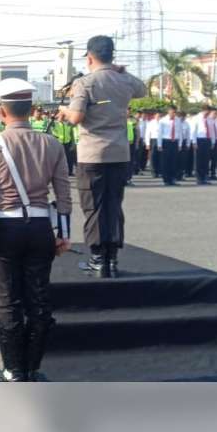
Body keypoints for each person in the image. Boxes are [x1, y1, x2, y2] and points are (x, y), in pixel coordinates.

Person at [0, 79, 72, 382]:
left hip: (3, 227)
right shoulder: (52, 143)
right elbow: (63, 192)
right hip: (41, 227)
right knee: (39, 299)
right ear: (31, 109)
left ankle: (13, 370)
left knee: (7, 300)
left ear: (2, 111)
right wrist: (64, 232)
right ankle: (33, 368)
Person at [58, 35, 146, 277]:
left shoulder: (85, 82)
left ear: (89, 57)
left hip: (93, 154)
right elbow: (142, 89)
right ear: (111, 56)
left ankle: (98, 260)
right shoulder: (124, 80)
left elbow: (76, 117)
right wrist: (121, 71)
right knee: (113, 206)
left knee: (94, 207)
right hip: (119, 153)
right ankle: (112, 260)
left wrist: (64, 110)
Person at [190, 104, 216, 185]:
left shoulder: (210, 119)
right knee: (199, 160)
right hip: (199, 140)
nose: (208, 113)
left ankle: (205, 177)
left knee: (206, 160)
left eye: (209, 112)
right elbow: (193, 131)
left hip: (207, 140)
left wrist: (213, 141)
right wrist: (194, 142)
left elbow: (212, 131)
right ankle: (199, 178)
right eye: (207, 112)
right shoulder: (196, 118)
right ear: (204, 110)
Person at [157, 105, 182, 186]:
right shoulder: (163, 120)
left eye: (175, 112)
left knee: (174, 161)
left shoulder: (178, 120)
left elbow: (180, 132)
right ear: (168, 111)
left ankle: (172, 178)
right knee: (166, 161)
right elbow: (160, 133)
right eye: (172, 112)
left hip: (175, 142)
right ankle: (166, 179)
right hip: (166, 141)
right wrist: (159, 144)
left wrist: (180, 144)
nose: (173, 114)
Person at [144, 111, 161, 179]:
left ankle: (158, 171)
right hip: (153, 140)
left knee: (159, 156)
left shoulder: (162, 122)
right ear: (154, 116)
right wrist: (147, 143)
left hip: (160, 140)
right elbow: (147, 133)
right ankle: (153, 172)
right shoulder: (151, 123)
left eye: (159, 116)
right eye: (157, 116)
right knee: (153, 157)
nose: (158, 117)